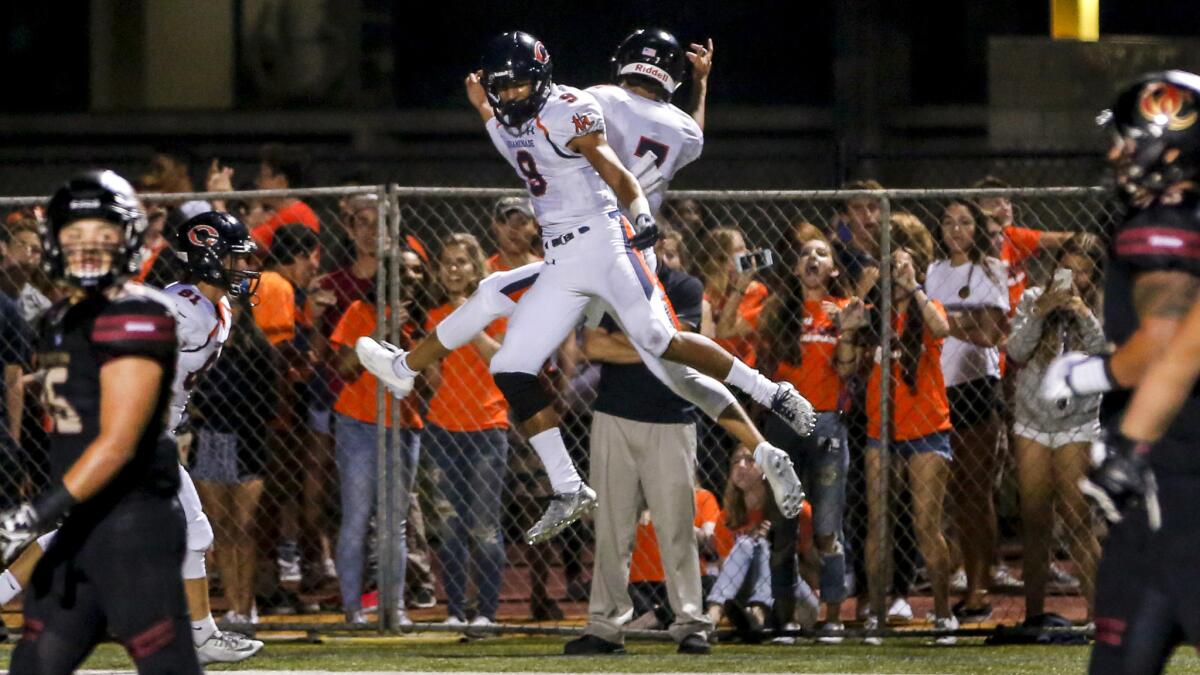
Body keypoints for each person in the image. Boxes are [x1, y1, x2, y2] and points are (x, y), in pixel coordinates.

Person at [357, 30, 813, 546]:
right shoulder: (675, 128)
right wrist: (701, 89)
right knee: (524, 360)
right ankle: (574, 482)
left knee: (645, 338)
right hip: (571, 252)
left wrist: (639, 214)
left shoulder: (584, 102)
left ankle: (772, 393)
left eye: (516, 88)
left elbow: (615, 170)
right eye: (503, 91)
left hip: (611, 241)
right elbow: (680, 137)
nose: (509, 98)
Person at [0, 211, 266, 665]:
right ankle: (200, 635)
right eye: (233, 258)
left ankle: (200, 634)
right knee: (191, 528)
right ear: (206, 259)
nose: (243, 268)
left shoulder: (212, 306)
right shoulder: (178, 308)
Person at [0, 171, 200, 673]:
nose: (88, 248)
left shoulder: (137, 313)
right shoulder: (59, 318)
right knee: (35, 664)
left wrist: (34, 514)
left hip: (134, 525)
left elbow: (118, 442)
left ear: (126, 239)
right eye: (74, 235)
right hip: (85, 526)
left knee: (166, 665)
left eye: (103, 236)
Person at [1035, 71, 1200, 674]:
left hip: (1178, 483)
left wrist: (1092, 373)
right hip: (1160, 482)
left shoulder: (1167, 219)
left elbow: (1168, 337)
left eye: (1129, 140)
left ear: (1172, 145)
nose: (1115, 154)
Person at [565, 231, 715, 655]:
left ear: (671, 249)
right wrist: (651, 343)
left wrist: (631, 343)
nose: (653, 252)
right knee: (611, 529)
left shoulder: (686, 287)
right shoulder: (613, 283)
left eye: (660, 245)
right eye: (642, 245)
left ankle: (690, 623)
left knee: (677, 528)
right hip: (613, 416)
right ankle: (605, 627)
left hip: (671, 419)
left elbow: (677, 347)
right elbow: (593, 345)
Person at [850, 216, 959, 645]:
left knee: (924, 527)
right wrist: (864, 290)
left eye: (903, 267)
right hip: (881, 429)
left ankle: (944, 615)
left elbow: (941, 328)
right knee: (879, 525)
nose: (895, 275)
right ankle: (877, 615)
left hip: (927, 429)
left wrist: (913, 286)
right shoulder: (872, 315)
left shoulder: (924, 312)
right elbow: (841, 332)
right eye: (891, 269)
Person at [759, 234, 854, 642]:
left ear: (833, 268)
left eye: (821, 254)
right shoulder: (779, 309)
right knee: (783, 527)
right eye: (804, 254)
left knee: (827, 528)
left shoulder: (846, 309)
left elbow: (848, 370)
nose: (812, 258)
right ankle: (787, 617)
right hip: (783, 420)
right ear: (796, 268)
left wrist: (847, 330)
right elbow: (740, 332)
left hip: (827, 421)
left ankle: (832, 616)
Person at [1006, 234, 1103, 626]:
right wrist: (1042, 310)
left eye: (1083, 271)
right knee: (1034, 520)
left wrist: (1082, 312)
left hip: (1076, 423)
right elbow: (1015, 351)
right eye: (1069, 269)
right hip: (1032, 420)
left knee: (1078, 517)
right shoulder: (1033, 299)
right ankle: (1033, 614)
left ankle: (1099, 614)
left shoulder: (1096, 306)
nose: (1075, 278)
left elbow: (1103, 354)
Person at [328, 255, 425, 627]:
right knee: (356, 518)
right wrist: (383, 328)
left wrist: (408, 340)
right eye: (403, 271)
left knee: (394, 523)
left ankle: (394, 607)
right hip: (358, 422)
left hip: (403, 425)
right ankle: (353, 609)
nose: (411, 277)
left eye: (417, 270)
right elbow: (344, 369)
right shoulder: (359, 310)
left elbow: (431, 382)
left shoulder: (423, 319)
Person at [924, 200, 1010, 622]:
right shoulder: (934, 271)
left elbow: (991, 333)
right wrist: (962, 321)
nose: (956, 230)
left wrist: (948, 322)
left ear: (977, 229)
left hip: (976, 385)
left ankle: (980, 583)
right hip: (940, 386)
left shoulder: (991, 270)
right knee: (955, 491)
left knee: (977, 489)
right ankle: (965, 572)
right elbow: (936, 326)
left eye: (965, 222)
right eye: (949, 222)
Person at [422, 234, 510, 632]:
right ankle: (455, 609)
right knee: (449, 525)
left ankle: (486, 611)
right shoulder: (433, 314)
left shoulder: (496, 312)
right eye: (447, 263)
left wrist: (467, 319)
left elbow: (501, 360)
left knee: (485, 526)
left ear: (477, 269)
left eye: (461, 262)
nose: (453, 270)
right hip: (443, 428)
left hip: (486, 429)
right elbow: (434, 376)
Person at [250, 144, 320, 251]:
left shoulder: (295, 213)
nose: (257, 182)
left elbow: (246, 243)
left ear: (281, 182)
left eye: (263, 176)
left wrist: (220, 202)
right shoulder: (279, 213)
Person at [487, 196, 542, 272]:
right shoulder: (485, 272)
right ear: (495, 226)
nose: (512, 229)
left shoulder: (548, 270)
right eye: (504, 221)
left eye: (522, 222)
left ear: (535, 226)